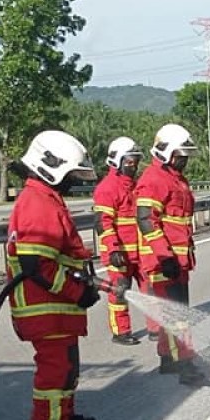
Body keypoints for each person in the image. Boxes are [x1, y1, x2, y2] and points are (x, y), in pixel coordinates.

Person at [5, 130, 102, 420]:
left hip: (54, 308)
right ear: (51, 168)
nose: (73, 182)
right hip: (44, 308)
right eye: (70, 175)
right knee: (56, 370)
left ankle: (63, 418)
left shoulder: (44, 199)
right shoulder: (37, 204)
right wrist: (78, 292)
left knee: (67, 366)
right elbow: (38, 266)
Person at [135, 123, 205, 383]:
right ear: (166, 152)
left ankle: (166, 358)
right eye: (180, 156)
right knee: (178, 316)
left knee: (172, 313)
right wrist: (164, 256)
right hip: (165, 261)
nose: (184, 161)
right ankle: (183, 364)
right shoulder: (154, 180)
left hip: (179, 260)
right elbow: (145, 219)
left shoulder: (175, 179)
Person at [93, 136, 156, 345]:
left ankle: (156, 328)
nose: (134, 165)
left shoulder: (136, 187)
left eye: (135, 161)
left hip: (140, 252)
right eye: (129, 162)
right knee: (119, 291)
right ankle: (121, 332)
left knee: (150, 289)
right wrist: (113, 249)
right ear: (116, 161)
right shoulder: (107, 188)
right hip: (119, 254)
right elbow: (103, 222)